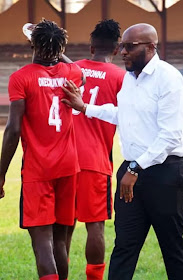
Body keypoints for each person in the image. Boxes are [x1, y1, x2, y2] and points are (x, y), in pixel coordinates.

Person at [62, 23, 183, 280]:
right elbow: (120, 114)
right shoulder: (130, 79)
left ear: (151, 47)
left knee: (172, 247)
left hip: (165, 174)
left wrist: (135, 168)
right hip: (132, 174)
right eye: (122, 46)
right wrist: (85, 107)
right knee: (124, 247)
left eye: (130, 47)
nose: (123, 52)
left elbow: (170, 135)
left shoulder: (169, 78)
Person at [0, 19, 83, 280]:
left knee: (42, 242)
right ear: (60, 47)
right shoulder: (72, 73)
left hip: (38, 170)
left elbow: (13, 129)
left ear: (33, 45)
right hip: (69, 167)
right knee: (61, 242)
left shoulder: (20, 78)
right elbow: (72, 65)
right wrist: (54, 48)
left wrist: (0, 173)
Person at [65, 19, 125, 280]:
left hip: (64, 158)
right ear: (116, 49)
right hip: (95, 161)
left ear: (91, 47)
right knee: (95, 226)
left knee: (62, 228)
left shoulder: (71, 69)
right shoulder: (123, 78)